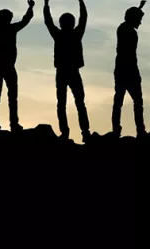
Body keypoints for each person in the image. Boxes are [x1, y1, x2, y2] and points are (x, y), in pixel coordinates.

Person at [44, 0, 92, 142]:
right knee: (78, 103)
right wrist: (81, 2)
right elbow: (83, 18)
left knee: (62, 104)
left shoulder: (59, 35)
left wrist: (46, 4)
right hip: (72, 72)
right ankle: (84, 132)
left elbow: (48, 21)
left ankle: (66, 133)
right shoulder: (76, 34)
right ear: (72, 23)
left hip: (63, 72)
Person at [0, 0, 36, 131]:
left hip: (5, 67)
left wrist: (30, 8)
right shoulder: (3, 30)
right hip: (2, 66)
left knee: (7, 96)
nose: (9, 20)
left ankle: (9, 123)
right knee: (2, 96)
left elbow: (25, 21)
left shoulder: (0, 30)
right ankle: (0, 123)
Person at [111, 1, 147, 137]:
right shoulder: (128, 31)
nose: (140, 23)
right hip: (128, 69)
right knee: (135, 101)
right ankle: (140, 130)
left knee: (120, 100)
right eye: (139, 20)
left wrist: (140, 7)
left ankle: (117, 130)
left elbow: (131, 15)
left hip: (122, 68)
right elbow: (130, 55)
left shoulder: (123, 27)